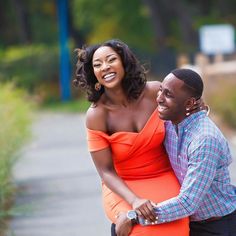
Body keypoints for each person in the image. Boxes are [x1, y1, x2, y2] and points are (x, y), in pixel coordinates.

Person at [74, 39, 190, 235]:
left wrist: (195, 106)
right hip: (122, 185)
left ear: (124, 63)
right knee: (136, 229)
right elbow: (106, 171)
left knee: (175, 225)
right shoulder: (97, 115)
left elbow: (186, 113)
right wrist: (135, 200)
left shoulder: (155, 92)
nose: (105, 67)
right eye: (97, 64)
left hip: (164, 175)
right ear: (93, 74)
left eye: (111, 60)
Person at [119, 68, 236, 236]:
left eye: (168, 95)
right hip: (185, 222)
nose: (159, 98)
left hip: (216, 225)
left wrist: (134, 217)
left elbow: (188, 203)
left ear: (189, 103)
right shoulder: (169, 124)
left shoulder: (205, 140)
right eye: (160, 91)